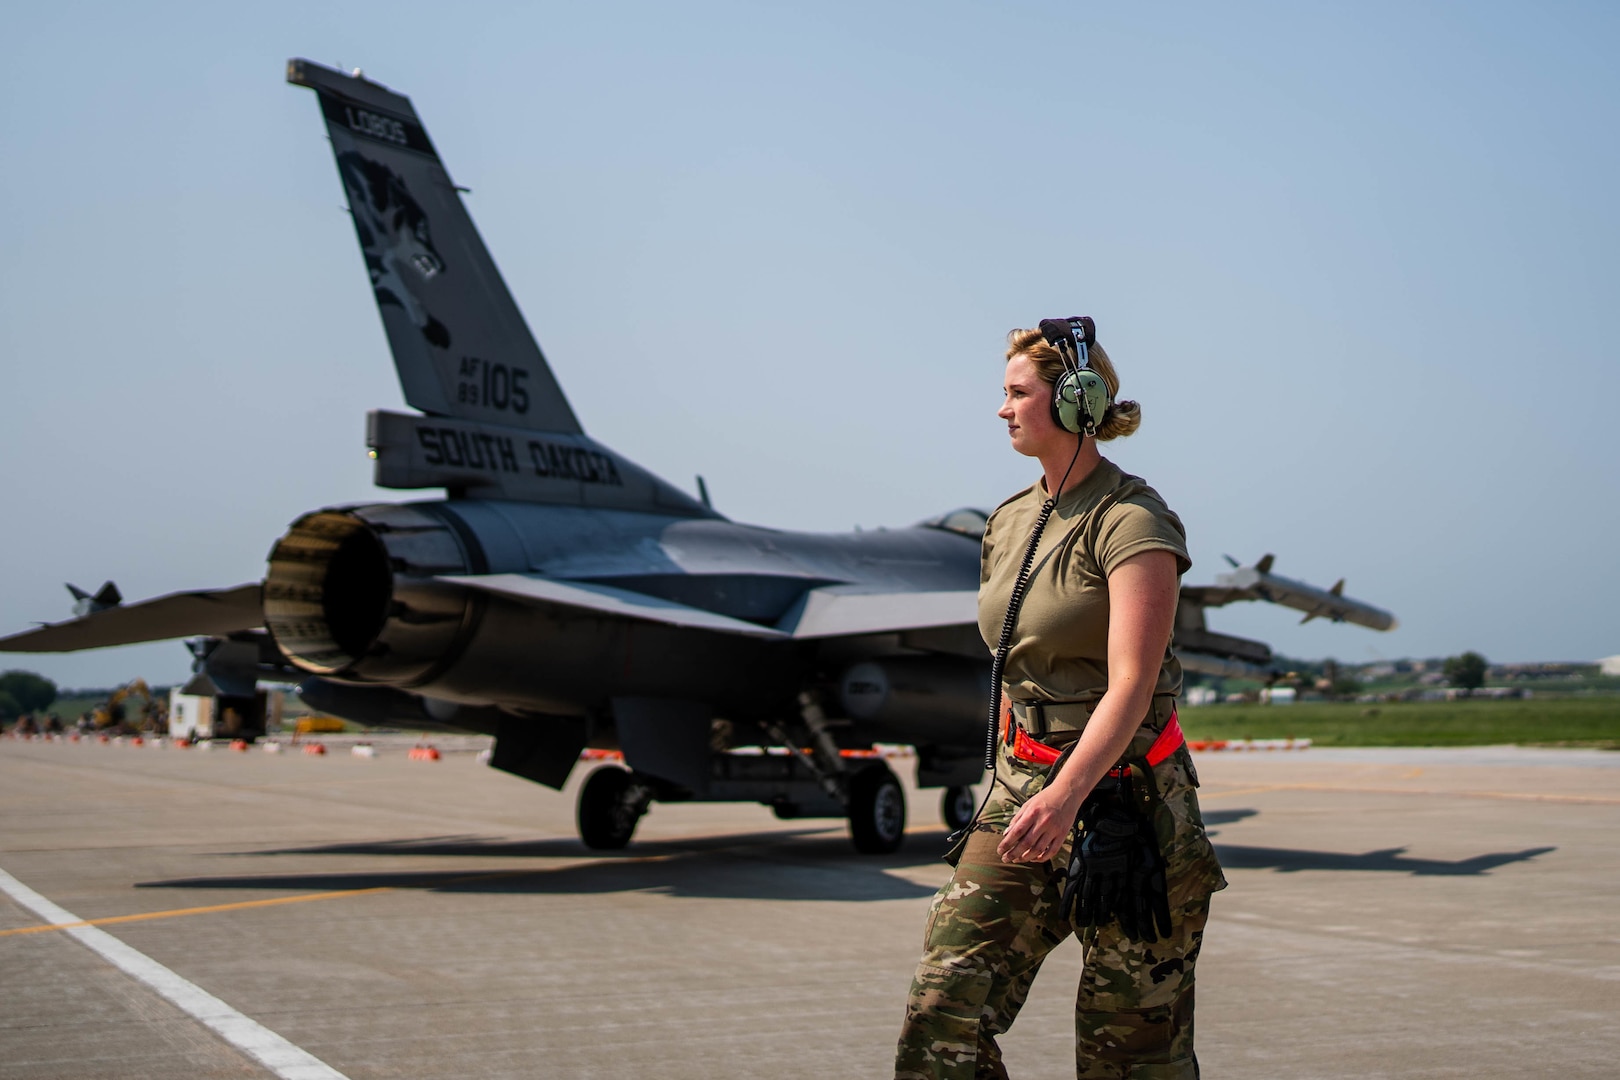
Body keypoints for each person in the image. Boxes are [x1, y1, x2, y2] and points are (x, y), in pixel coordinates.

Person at [894, 324, 1226, 1079]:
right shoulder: (1008, 521)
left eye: (1017, 394)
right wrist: (1024, 784)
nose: (1002, 410)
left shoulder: (1133, 520)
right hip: (1024, 791)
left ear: (1077, 402)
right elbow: (1019, 667)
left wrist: (1068, 795)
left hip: (1127, 804)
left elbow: (1133, 683)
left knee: (1130, 1053)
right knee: (943, 1007)